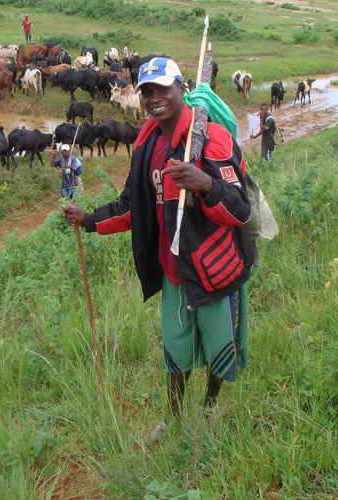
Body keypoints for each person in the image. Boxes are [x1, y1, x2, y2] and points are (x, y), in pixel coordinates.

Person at [64, 57, 253, 419]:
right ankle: (175, 418)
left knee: (218, 347)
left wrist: (206, 185)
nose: (154, 97)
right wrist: (89, 220)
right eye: (147, 91)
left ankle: (211, 408)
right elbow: (134, 207)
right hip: (173, 270)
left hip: (214, 268)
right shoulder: (147, 147)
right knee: (175, 350)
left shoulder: (212, 140)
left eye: (162, 88)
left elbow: (241, 211)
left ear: (181, 87)